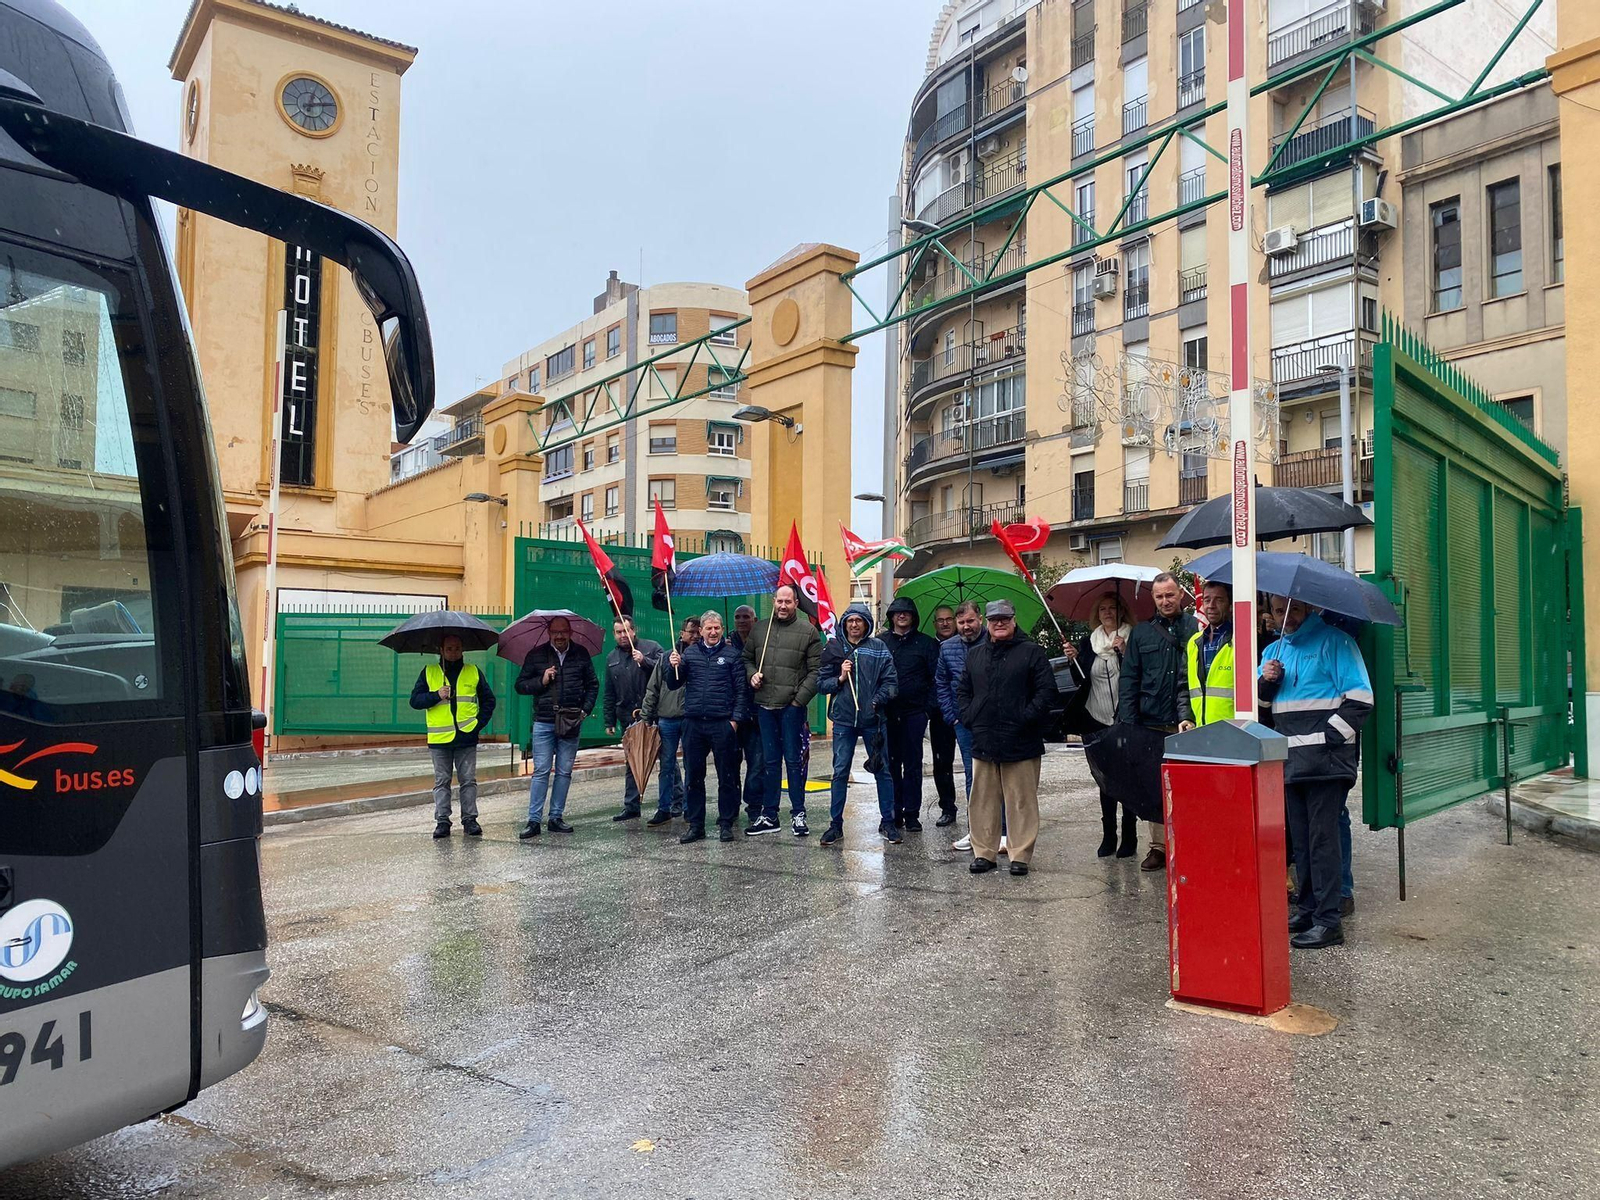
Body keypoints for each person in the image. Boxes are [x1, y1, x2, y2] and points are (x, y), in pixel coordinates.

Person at [1258, 594, 1373, 949]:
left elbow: (1361, 700)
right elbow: (1263, 710)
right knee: (1303, 843)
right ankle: (1308, 909)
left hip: (1326, 764)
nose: (1287, 616)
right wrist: (1267, 683)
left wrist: (1327, 739)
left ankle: (1329, 921)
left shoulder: (1336, 642)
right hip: (1290, 762)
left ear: (1310, 608)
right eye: (1280, 611)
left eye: (1293, 609)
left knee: (1323, 842)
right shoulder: (1272, 653)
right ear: (1272, 615)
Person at [959, 600, 1056, 877]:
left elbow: (1046, 692)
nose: (999, 623)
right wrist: (969, 717)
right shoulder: (975, 655)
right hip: (984, 739)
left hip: (1021, 741)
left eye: (1005, 618)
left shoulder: (1032, 652)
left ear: (1014, 620)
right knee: (982, 800)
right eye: (994, 619)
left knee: (1021, 801)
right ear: (986, 622)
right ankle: (983, 854)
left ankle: (1020, 855)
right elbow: (963, 690)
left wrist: (1025, 718)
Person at [1116, 571, 1198, 872]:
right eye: (1159, 596)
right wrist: (1129, 722)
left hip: (1188, 719)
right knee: (1155, 787)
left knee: (1189, 785)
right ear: (1153, 599)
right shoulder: (1141, 633)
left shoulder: (1196, 627)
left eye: (1170, 595)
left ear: (1181, 596)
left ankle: (1188, 843)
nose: (1165, 600)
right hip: (1150, 720)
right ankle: (1158, 848)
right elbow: (1130, 679)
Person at [744, 583, 823, 837]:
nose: (783, 606)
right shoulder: (760, 629)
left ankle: (798, 813)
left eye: (788, 602)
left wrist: (799, 700)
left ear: (796, 604)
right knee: (770, 762)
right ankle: (769, 815)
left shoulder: (808, 631)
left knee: (793, 761)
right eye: (779, 601)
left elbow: (816, 670)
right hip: (764, 705)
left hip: (791, 708)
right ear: (773, 601)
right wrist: (751, 676)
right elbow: (746, 659)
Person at [817, 604, 899, 847]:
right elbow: (821, 684)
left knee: (882, 770)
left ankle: (888, 821)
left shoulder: (879, 648)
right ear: (844, 624)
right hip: (843, 720)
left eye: (859, 620)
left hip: (873, 720)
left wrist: (877, 701)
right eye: (850, 620)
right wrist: (840, 678)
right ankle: (835, 825)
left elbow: (891, 682)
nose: (854, 624)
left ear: (866, 624)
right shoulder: (835, 649)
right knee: (840, 771)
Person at [666, 611, 751, 843]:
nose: (713, 632)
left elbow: (742, 691)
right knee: (694, 776)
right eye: (708, 628)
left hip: (722, 723)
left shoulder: (732, 655)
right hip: (694, 723)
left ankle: (726, 823)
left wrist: (734, 721)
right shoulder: (689, 654)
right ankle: (696, 825)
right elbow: (674, 683)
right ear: (701, 630)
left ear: (722, 630)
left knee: (727, 775)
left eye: (717, 628)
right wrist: (672, 665)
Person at [1064, 593, 1134, 857]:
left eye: (1112, 608)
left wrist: (1124, 652)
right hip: (1095, 719)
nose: (1107, 612)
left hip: (1124, 719)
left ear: (1121, 611)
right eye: (1102, 608)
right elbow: (1080, 680)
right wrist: (1073, 659)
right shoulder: (1088, 642)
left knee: (1127, 779)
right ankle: (1109, 835)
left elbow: (1135, 675)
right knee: (1104, 778)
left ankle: (1129, 836)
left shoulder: (1131, 638)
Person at [515, 616, 597, 838]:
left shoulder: (580, 654)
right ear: (549, 633)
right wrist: (540, 681)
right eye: (555, 632)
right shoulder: (536, 655)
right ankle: (533, 820)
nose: (559, 636)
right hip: (543, 721)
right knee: (541, 771)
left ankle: (556, 817)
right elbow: (520, 685)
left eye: (563, 631)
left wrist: (584, 710)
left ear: (570, 632)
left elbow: (592, 685)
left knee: (564, 771)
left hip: (570, 721)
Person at [409, 634, 496, 839]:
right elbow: (414, 700)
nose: (453, 652)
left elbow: (489, 701)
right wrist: (436, 695)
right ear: (441, 650)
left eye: (457, 648)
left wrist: (477, 724)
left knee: (468, 780)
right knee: (442, 781)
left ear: (462, 649)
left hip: (466, 737)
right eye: (449, 648)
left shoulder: (473, 671)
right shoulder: (429, 672)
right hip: (440, 740)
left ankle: (470, 819)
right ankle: (442, 821)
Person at [880, 596, 940, 831]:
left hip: (915, 713)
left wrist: (927, 709)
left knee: (913, 765)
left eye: (906, 612)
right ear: (892, 616)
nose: (901, 616)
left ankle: (912, 813)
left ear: (913, 616)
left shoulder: (926, 644)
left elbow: (936, 678)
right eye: (897, 612)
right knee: (890, 765)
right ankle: (893, 812)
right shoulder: (881, 643)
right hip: (887, 712)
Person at [935, 600, 989, 852]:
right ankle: (976, 830)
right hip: (963, 722)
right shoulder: (947, 648)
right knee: (972, 776)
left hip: (992, 721)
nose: (966, 626)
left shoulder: (995, 640)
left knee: (998, 776)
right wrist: (951, 716)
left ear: (980, 618)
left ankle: (1002, 831)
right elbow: (942, 684)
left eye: (970, 621)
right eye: (961, 622)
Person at [601, 615, 663, 822]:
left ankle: (674, 802)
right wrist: (608, 720)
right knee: (632, 762)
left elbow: (666, 671)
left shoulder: (651, 647)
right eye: (618, 632)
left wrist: (644, 661)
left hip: (653, 714)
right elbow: (609, 692)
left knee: (665, 760)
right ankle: (631, 805)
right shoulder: (612, 658)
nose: (622, 636)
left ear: (633, 630)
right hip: (627, 717)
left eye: (625, 631)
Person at [641, 616, 698, 823]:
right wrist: (646, 716)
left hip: (691, 718)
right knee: (666, 765)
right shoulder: (666, 657)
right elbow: (653, 687)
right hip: (667, 718)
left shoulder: (701, 657)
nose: (694, 635)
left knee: (691, 764)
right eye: (690, 631)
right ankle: (664, 807)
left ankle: (689, 807)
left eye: (697, 631)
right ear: (681, 633)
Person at [728, 604, 766, 830]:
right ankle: (730, 808)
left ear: (755, 619)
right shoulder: (726, 645)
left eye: (746, 617)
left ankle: (754, 807)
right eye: (737, 616)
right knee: (730, 765)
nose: (741, 621)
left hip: (756, 715)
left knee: (757, 764)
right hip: (732, 716)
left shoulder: (762, 644)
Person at [1180, 581, 1236, 732]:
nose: (1211, 605)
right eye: (1207, 600)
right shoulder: (1194, 642)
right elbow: (1184, 686)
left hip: (1234, 731)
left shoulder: (1240, 640)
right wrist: (1187, 717)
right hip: (1200, 730)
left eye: (1219, 600)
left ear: (1230, 605)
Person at [927, 606, 959, 825]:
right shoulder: (929, 647)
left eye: (949, 619)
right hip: (939, 713)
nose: (946, 623)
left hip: (968, 712)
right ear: (935, 624)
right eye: (941, 620)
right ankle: (947, 807)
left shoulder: (969, 643)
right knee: (942, 763)